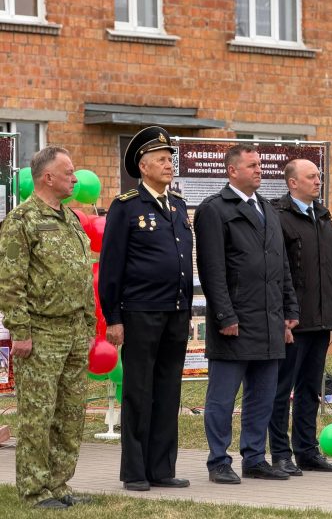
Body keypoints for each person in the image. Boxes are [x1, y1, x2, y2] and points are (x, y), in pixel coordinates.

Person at [194, 144, 300, 484]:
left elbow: (281, 266)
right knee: (223, 398)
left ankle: (254, 457)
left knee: (263, 396)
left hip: (269, 322)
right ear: (232, 170)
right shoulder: (215, 209)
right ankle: (218, 461)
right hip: (235, 323)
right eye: (252, 165)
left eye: (260, 165)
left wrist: (289, 311)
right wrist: (225, 316)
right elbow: (212, 270)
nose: (259, 170)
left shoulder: (268, 209)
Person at [99, 126, 194, 491]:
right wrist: (114, 317)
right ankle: (136, 472)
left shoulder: (178, 204)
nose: (169, 164)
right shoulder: (127, 206)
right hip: (139, 312)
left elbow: (184, 260)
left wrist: (185, 308)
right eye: (161, 159)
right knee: (139, 391)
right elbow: (112, 266)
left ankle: (162, 468)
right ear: (143, 166)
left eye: (170, 159)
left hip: (175, 312)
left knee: (168, 390)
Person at [0, 147, 95, 509]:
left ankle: (59, 485)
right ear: (47, 177)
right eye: (68, 172)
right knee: (38, 416)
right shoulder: (22, 221)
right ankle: (35, 490)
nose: (75, 178)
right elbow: (11, 283)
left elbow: (82, 276)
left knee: (70, 415)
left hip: (73, 331)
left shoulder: (70, 218)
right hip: (40, 332)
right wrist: (20, 331)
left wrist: (87, 325)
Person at [268, 159, 332, 475]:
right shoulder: (279, 218)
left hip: (320, 321)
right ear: (292, 183)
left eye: (319, 176)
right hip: (292, 322)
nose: (318, 180)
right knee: (280, 390)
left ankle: (307, 450)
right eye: (311, 176)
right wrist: (286, 315)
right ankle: (280, 453)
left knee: (310, 390)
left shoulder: (325, 218)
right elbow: (278, 273)